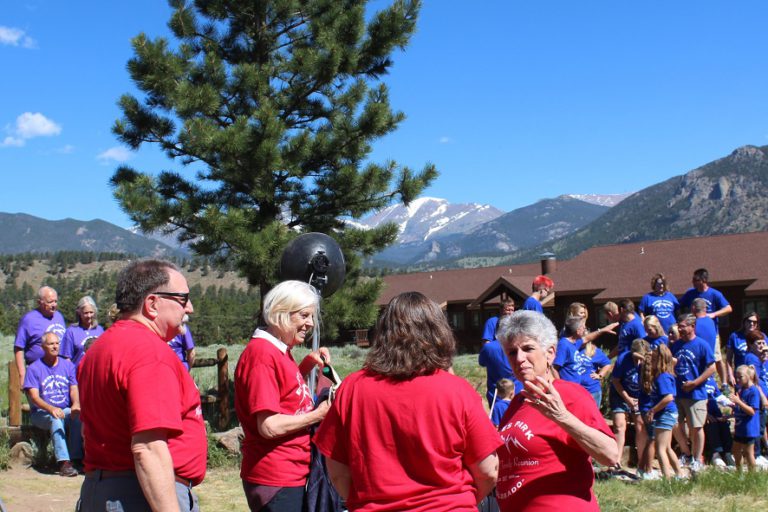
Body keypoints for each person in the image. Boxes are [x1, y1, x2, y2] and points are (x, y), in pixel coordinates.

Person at [314, 291, 501, 511]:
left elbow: (336, 472)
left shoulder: (353, 388)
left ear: (383, 333)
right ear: (438, 333)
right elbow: (488, 471)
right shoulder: (457, 390)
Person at [77, 259, 206, 512]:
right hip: (139, 495)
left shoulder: (100, 348)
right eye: (183, 299)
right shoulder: (149, 353)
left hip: (104, 489)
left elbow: (86, 430)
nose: (189, 308)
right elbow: (148, 448)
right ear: (152, 304)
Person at [495, 311, 617, 511]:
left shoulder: (569, 395)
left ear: (550, 353)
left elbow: (610, 455)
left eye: (528, 349)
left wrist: (562, 417)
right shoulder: (516, 403)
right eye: (512, 352)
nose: (520, 358)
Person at [235, 280, 333, 512]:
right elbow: (269, 425)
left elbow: (281, 394)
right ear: (281, 313)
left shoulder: (278, 350)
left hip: (287, 472)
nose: (310, 324)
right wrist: (318, 415)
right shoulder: (262, 355)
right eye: (304, 315)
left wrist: (308, 364)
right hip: (276, 475)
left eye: (311, 317)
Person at [23, 332, 82, 477]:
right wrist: (51, 409)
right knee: (55, 419)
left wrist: (76, 404)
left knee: (77, 416)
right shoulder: (34, 368)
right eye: (51, 344)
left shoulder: (67, 365)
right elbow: (34, 397)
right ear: (43, 347)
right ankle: (63, 462)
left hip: (64, 410)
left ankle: (76, 458)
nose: (55, 346)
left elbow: (73, 388)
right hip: (41, 413)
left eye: (57, 343)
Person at [671, 313, 716, 473]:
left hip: (696, 394)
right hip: (677, 393)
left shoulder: (702, 345)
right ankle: (686, 453)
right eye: (679, 326)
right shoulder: (675, 345)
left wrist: (695, 382)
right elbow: (670, 365)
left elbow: (712, 367)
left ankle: (698, 458)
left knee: (696, 427)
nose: (679, 329)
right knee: (675, 424)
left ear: (692, 326)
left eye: (682, 326)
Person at [640, 344, 682, 480]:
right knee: (667, 447)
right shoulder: (664, 374)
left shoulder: (663, 377)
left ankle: (667, 479)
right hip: (666, 414)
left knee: (660, 448)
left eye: (654, 356)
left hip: (666, 413)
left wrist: (653, 410)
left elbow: (669, 397)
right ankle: (679, 475)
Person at [610, 338, 649, 474]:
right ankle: (615, 461)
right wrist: (627, 399)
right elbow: (615, 381)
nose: (639, 360)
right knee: (620, 425)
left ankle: (642, 461)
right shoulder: (623, 359)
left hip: (639, 396)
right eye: (637, 356)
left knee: (641, 425)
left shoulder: (648, 361)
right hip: (620, 394)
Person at [14, 285, 67, 388]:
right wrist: (22, 374)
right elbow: (18, 348)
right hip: (37, 371)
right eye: (50, 302)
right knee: (38, 403)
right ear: (40, 302)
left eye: (55, 301)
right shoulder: (28, 320)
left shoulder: (59, 316)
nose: (54, 305)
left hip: (58, 370)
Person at [479, 299, 521, 405]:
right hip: (500, 385)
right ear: (501, 310)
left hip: (511, 388)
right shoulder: (492, 321)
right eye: (508, 309)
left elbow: (483, 361)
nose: (510, 312)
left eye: (512, 310)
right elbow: (486, 341)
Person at [729, 365, 761, 471]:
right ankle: (740, 473)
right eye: (736, 377)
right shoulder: (742, 389)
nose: (737, 380)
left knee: (748, 453)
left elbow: (752, 411)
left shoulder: (753, 391)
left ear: (749, 376)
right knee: (735, 450)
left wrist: (738, 402)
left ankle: (753, 476)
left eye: (740, 377)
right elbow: (740, 408)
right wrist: (730, 414)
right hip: (740, 427)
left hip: (749, 428)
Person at [60, 296, 104, 367]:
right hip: (77, 375)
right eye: (86, 313)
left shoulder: (100, 330)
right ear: (79, 313)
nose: (89, 316)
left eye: (91, 312)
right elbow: (66, 359)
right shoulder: (71, 332)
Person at [725, 312, 765, 388]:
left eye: (754, 322)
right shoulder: (735, 336)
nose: (752, 324)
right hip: (741, 377)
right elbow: (728, 359)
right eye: (749, 321)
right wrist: (730, 375)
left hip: (759, 376)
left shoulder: (762, 337)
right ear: (744, 322)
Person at [691, 298, 725, 383]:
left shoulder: (694, 325)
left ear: (693, 308)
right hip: (710, 362)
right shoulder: (711, 322)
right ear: (705, 308)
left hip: (699, 365)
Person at [704, 377, 735, 468]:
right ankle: (715, 454)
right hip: (703, 411)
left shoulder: (711, 380)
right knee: (712, 425)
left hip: (715, 411)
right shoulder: (697, 378)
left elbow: (718, 396)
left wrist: (731, 404)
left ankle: (727, 453)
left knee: (724, 424)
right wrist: (705, 413)